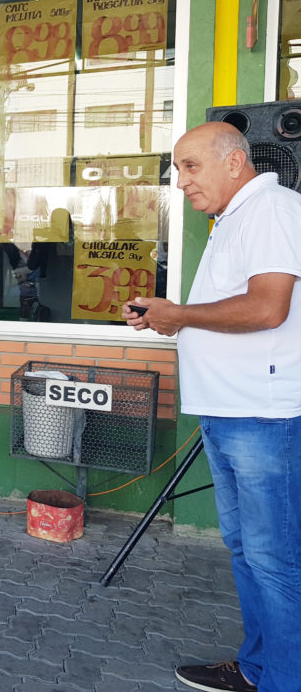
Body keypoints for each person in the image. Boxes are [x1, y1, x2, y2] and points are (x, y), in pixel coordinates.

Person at [124, 121, 301, 692]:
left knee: (275, 561)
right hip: (229, 414)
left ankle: (283, 679)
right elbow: (231, 311)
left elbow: (268, 308)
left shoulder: (270, 207)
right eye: (178, 169)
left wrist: (182, 316)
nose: (181, 182)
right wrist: (170, 319)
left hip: (263, 417)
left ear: (234, 161)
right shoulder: (233, 217)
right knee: (249, 551)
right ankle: (260, 668)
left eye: (190, 166)